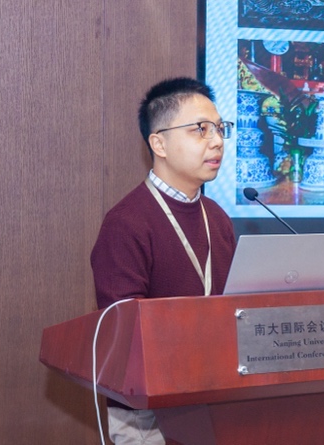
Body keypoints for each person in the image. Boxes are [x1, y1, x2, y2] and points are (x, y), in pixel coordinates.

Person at [90, 77, 237, 444]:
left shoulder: (217, 218)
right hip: (148, 412)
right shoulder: (126, 222)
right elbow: (124, 331)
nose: (217, 141)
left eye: (220, 128)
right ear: (159, 144)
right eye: (200, 129)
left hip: (214, 398)